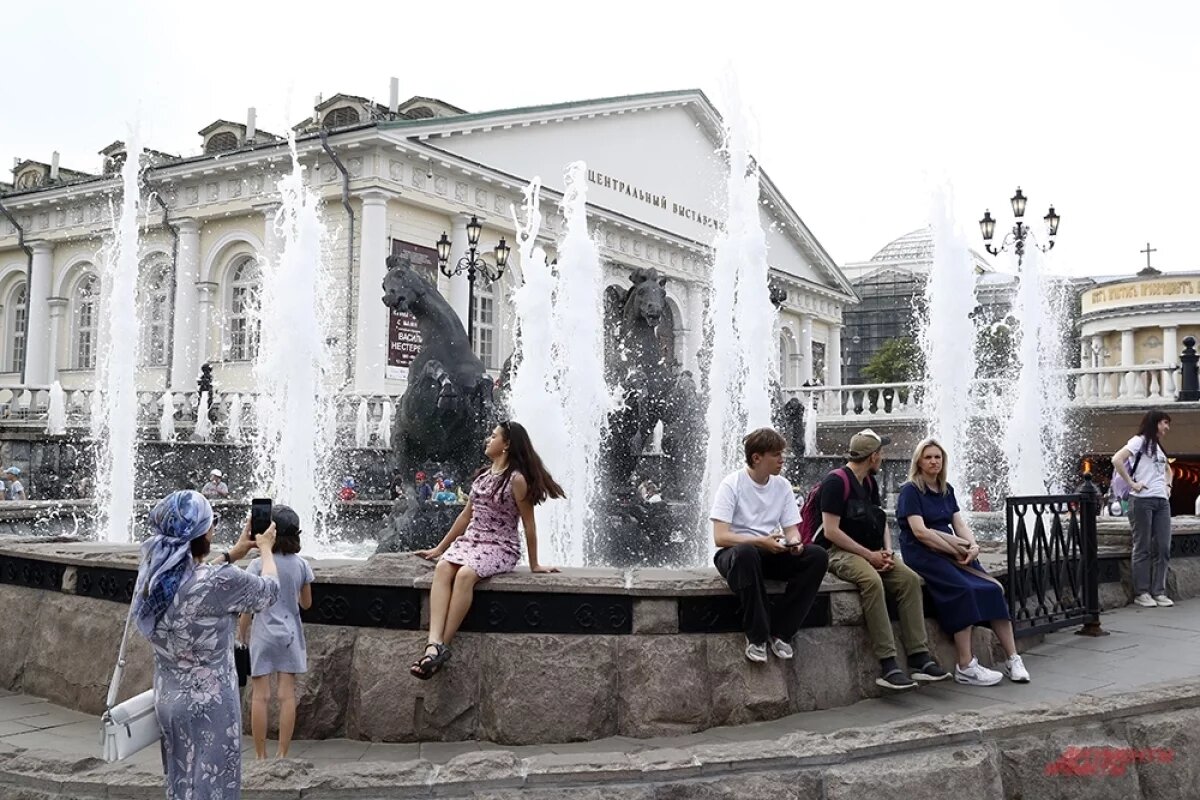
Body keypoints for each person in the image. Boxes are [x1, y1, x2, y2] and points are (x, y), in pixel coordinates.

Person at [132, 490, 279, 799]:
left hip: (169, 699)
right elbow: (269, 592)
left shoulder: (153, 579)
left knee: (181, 781)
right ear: (202, 534)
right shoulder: (218, 582)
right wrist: (265, 549)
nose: (214, 527)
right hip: (212, 705)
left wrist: (234, 552)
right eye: (212, 521)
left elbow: (190, 576)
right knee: (214, 785)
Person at [412, 420, 564, 678]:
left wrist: (535, 564)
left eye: (493, 437)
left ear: (506, 445)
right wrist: (439, 549)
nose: (488, 440)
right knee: (443, 568)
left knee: (465, 575)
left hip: (500, 546)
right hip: (472, 541)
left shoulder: (516, 480)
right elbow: (465, 517)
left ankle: (440, 648)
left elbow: (529, 524)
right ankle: (432, 644)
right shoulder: (482, 477)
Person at [817, 430, 949, 690]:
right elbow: (831, 531)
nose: (883, 458)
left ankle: (918, 657)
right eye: (881, 454)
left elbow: (880, 520)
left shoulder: (869, 481)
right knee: (871, 581)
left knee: (909, 579)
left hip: (873, 550)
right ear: (873, 456)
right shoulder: (835, 482)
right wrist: (870, 556)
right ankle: (888, 663)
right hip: (838, 552)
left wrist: (887, 551)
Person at [896, 438, 1030, 686]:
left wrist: (974, 546)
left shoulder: (946, 489)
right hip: (923, 552)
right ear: (919, 461)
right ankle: (966, 665)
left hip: (951, 550)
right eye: (928, 457)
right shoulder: (911, 491)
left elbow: (959, 523)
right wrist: (956, 549)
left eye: (938, 456)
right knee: (964, 590)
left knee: (991, 588)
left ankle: (1013, 658)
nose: (934, 461)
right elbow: (920, 532)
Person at [710, 427, 829, 664]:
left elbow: (791, 528)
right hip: (736, 555)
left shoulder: (782, 485)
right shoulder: (731, 484)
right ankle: (756, 636)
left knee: (816, 555)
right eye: (776, 454)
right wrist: (759, 541)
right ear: (757, 457)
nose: (782, 460)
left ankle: (782, 632)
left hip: (769, 551)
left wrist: (794, 543)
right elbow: (720, 537)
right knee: (746, 553)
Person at [237, 505, 314, 759]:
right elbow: (306, 604)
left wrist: (241, 634)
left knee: (261, 696)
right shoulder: (301, 565)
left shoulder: (258, 564)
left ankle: (260, 756)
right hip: (290, 634)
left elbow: (248, 607)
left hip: (263, 634)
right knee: (286, 695)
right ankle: (282, 754)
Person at [1112, 409, 1174, 608]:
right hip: (1141, 500)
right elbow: (1117, 459)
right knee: (1143, 546)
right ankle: (1142, 592)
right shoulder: (1138, 441)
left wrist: (1168, 487)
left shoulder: (1158, 448)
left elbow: (1168, 470)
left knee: (1163, 547)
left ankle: (1159, 591)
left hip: (1161, 501)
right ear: (1156, 423)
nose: (1167, 427)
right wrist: (1132, 483)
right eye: (1165, 423)